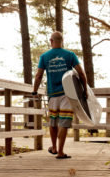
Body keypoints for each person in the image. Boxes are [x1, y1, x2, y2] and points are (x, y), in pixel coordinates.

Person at [32, 31, 88, 159]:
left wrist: (35, 91)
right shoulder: (70, 55)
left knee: (53, 121)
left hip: (52, 93)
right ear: (62, 41)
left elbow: (38, 75)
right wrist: (85, 90)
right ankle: (61, 152)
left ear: (51, 41)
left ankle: (54, 147)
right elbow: (81, 73)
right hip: (68, 94)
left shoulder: (44, 56)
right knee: (64, 121)